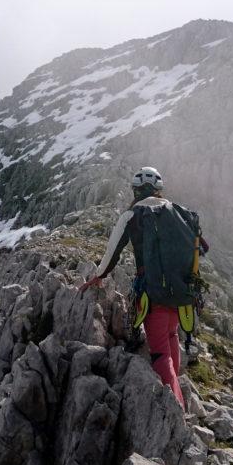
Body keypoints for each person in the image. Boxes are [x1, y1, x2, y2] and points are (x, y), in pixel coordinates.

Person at [79, 167, 208, 410]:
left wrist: (97, 276)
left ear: (136, 190)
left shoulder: (134, 214)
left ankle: (175, 409)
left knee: (160, 352)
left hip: (154, 292)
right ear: (159, 190)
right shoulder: (177, 211)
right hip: (181, 294)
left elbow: (113, 251)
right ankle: (177, 388)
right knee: (171, 336)